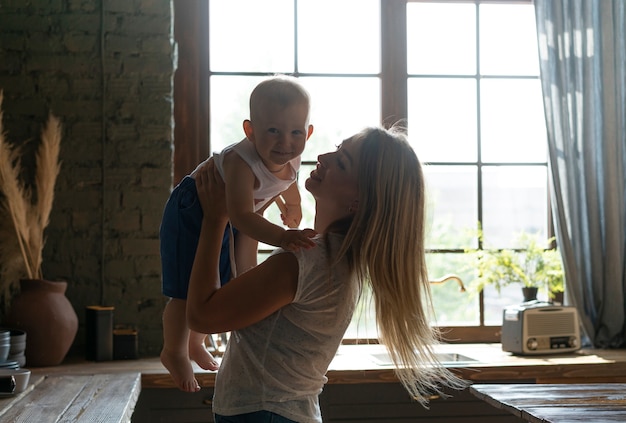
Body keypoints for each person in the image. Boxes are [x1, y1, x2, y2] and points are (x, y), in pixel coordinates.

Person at [187, 125, 467, 423]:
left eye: (342, 162)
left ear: (359, 201)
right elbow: (248, 282)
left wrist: (215, 219)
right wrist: (251, 210)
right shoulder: (334, 259)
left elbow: (203, 316)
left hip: (264, 415)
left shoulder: (307, 260)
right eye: (336, 148)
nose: (323, 156)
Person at [159, 75, 317, 393]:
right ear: (250, 130)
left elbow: (289, 180)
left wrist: (292, 204)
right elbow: (244, 217)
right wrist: (284, 237)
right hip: (194, 206)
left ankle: (195, 342)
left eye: (295, 132)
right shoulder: (240, 162)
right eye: (273, 131)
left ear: (308, 132)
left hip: (227, 216)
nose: (285, 142)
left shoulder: (289, 155)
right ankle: (173, 351)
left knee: (222, 280)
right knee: (186, 286)